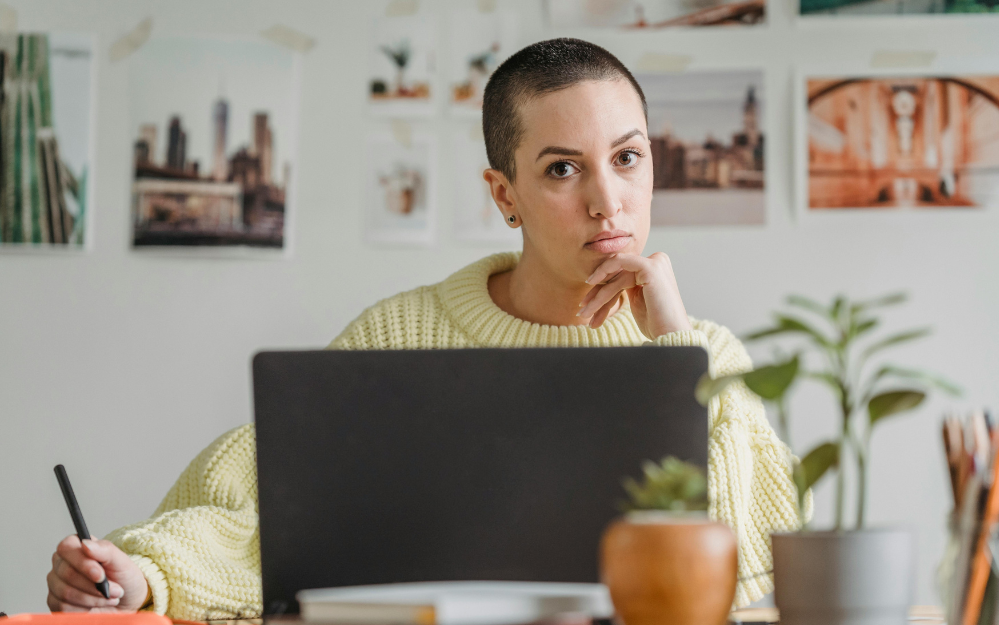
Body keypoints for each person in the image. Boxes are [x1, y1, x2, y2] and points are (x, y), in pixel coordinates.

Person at [45, 38, 803, 619]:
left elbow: (758, 572)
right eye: (563, 169)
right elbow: (258, 505)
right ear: (505, 196)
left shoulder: (704, 352)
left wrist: (675, 346)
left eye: (628, 158)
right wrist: (143, 571)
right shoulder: (401, 333)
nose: (609, 201)